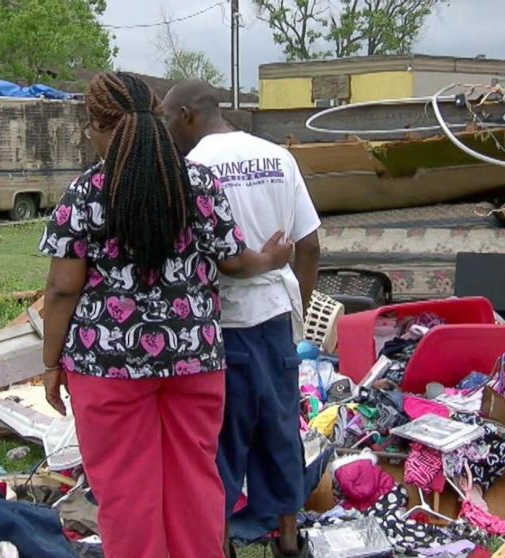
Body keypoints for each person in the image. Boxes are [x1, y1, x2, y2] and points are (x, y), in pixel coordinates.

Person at [38, 72, 293, 558]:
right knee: (195, 484)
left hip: (107, 366)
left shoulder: (86, 192)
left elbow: (62, 288)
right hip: (194, 359)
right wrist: (271, 259)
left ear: (98, 124)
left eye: (90, 127)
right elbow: (234, 261)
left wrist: (51, 364)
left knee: (127, 493)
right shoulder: (198, 183)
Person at [163, 80, 323, 558]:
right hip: (274, 318)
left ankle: (219, 542)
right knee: (279, 431)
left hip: (216, 325)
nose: (166, 129)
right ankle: (289, 540)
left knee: (218, 443)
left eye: (169, 117)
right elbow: (309, 245)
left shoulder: (190, 170)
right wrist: (299, 313)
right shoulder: (278, 157)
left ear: (188, 114)